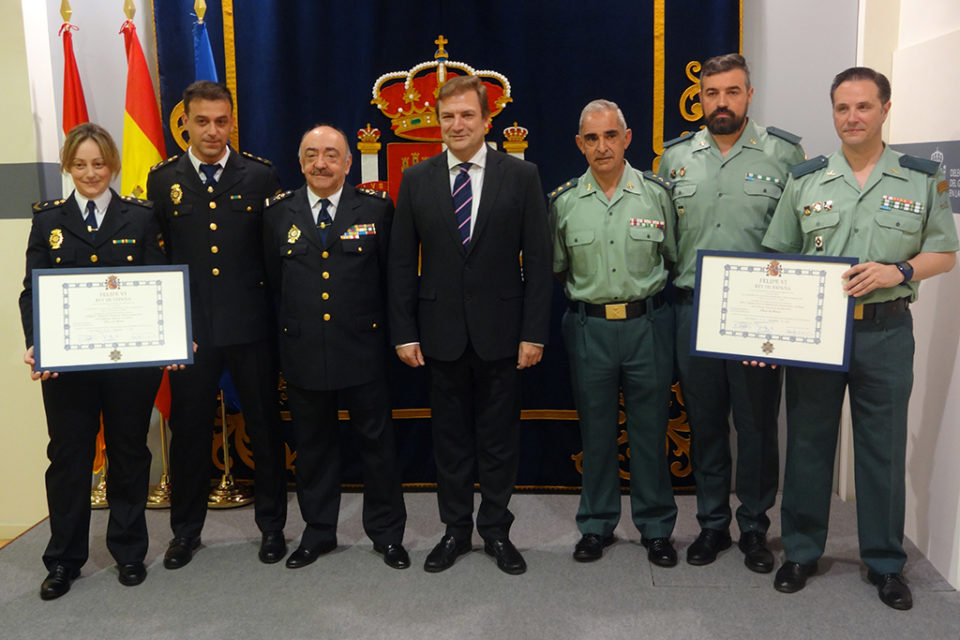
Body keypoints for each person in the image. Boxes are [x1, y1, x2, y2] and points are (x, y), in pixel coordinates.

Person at [762, 67, 957, 610]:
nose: (852, 118)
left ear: (885, 109)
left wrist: (900, 271)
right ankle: (800, 551)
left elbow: (944, 251)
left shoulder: (921, 179)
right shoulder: (807, 179)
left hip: (886, 331)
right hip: (816, 332)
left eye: (864, 107)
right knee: (807, 444)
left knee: (881, 449)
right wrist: (767, 330)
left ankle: (886, 563)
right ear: (833, 112)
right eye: (843, 108)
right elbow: (778, 255)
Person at [388, 75, 552, 575]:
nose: (457, 124)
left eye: (467, 115)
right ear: (437, 124)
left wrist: (534, 332)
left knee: (499, 439)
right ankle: (455, 531)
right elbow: (400, 263)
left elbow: (540, 261)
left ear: (486, 120)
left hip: (503, 334)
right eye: (448, 117)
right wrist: (404, 331)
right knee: (451, 440)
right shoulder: (417, 179)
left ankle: (497, 531)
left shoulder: (520, 176)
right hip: (440, 336)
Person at [659, 53, 805, 572]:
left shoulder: (784, 155)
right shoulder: (675, 158)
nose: (721, 102)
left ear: (749, 94)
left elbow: (800, 240)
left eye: (732, 92)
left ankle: (755, 528)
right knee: (705, 422)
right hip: (692, 308)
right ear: (700, 97)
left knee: (757, 423)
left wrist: (782, 320)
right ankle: (713, 525)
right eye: (712, 93)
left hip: (756, 312)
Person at [19, 123, 165, 599]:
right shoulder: (48, 220)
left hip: (129, 365)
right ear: (68, 166)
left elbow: (157, 286)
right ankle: (63, 560)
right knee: (68, 459)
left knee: (128, 453)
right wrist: (37, 341)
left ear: (112, 165)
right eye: (80, 165)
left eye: (98, 163)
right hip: (67, 367)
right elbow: (32, 293)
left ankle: (128, 551)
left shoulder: (140, 217)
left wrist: (170, 340)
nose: (90, 173)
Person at [146, 80, 288, 569]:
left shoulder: (259, 176)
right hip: (192, 334)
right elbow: (158, 259)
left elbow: (274, 259)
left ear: (232, 122)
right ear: (184, 121)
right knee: (188, 434)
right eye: (201, 121)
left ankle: (272, 527)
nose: (212, 130)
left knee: (266, 429)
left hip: (251, 328)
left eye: (221, 121)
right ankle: (185, 532)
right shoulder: (164, 180)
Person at [263, 125, 408, 570]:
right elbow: (273, 283)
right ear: (300, 161)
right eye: (311, 155)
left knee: (377, 445)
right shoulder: (277, 213)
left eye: (330, 155)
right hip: (304, 351)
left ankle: (386, 534)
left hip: (362, 348)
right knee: (312, 447)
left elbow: (395, 282)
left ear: (348, 163)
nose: (320, 163)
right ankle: (319, 531)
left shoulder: (377, 209)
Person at [550, 100, 679, 567]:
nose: (602, 146)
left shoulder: (656, 194)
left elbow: (673, 257)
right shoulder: (564, 202)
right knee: (597, 431)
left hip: (648, 325)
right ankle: (597, 525)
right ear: (580, 144)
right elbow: (559, 268)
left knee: (649, 430)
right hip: (590, 328)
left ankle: (657, 526)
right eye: (592, 138)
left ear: (627, 138)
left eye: (610, 136)